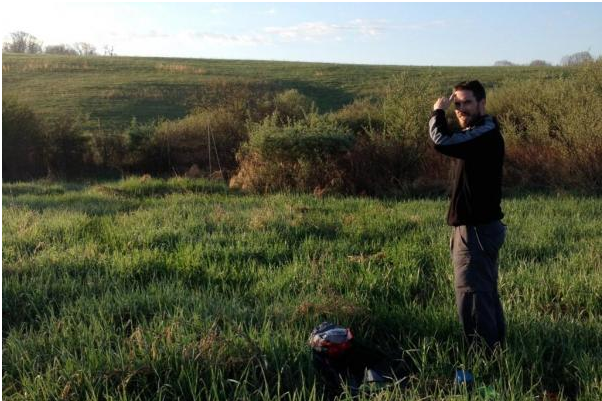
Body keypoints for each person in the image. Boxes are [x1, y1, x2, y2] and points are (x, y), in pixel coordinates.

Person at [428, 80, 507, 354]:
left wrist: (438, 111)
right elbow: (454, 140)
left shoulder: (484, 132)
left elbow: (442, 140)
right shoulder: (476, 133)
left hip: (476, 231)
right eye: (457, 104)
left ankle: (482, 358)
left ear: (482, 103)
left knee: (472, 295)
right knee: (483, 293)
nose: (460, 109)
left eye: (466, 103)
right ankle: (495, 351)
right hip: (475, 228)